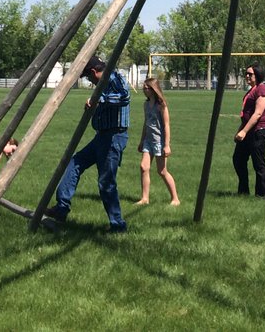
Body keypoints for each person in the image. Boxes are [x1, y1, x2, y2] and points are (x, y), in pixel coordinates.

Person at [44, 56, 131, 231]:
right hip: (101, 136)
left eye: (88, 77)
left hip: (113, 137)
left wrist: (100, 100)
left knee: (106, 182)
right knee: (75, 162)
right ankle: (61, 208)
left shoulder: (115, 78)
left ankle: (118, 225)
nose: (89, 81)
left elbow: (124, 98)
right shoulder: (102, 85)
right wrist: (93, 107)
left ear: (93, 71)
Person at [136, 77, 179, 206]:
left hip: (159, 142)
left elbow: (166, 125)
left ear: (154, 89)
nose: (145, 90)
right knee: (144, 167)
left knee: (162, 171)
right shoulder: (146, 105)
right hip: (148, 141)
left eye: (147, 88)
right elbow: (146, 123)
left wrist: (167, 145)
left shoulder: (161, 105)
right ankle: (145, 198)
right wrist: (142, 141)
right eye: (144, 88)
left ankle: (175, 199)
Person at [233, 64, 265, 199]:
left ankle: (262, 195)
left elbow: (258, 113)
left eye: (250, 74)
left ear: (258, 75)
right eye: (246, 73)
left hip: (258, 131)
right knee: (238, 159)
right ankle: (243, 191)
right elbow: (246, 115)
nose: (247, 76)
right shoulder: (251, 90)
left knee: (258, 164)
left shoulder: (262, 89)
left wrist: (244, 131)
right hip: (248, 131)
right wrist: (240, 131)